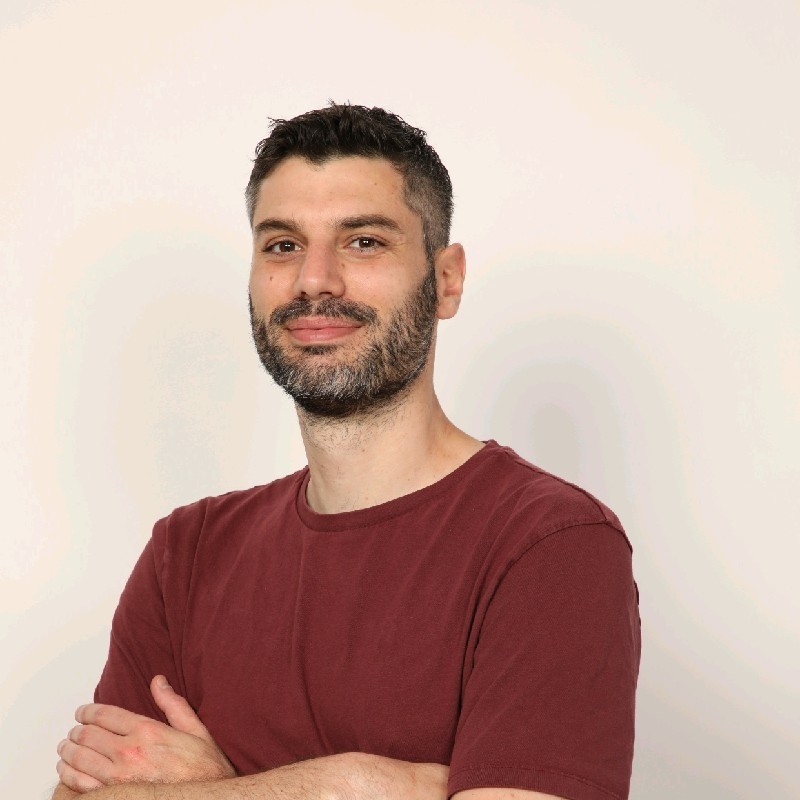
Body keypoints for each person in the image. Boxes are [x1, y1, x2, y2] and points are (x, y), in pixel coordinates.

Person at [52, 104, 641, 800]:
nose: (314, 280)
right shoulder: (187, 552)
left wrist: (209, 790)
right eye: (281, 245)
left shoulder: (549, 544)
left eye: (363, 242)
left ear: (446, 280)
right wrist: (348, 785)